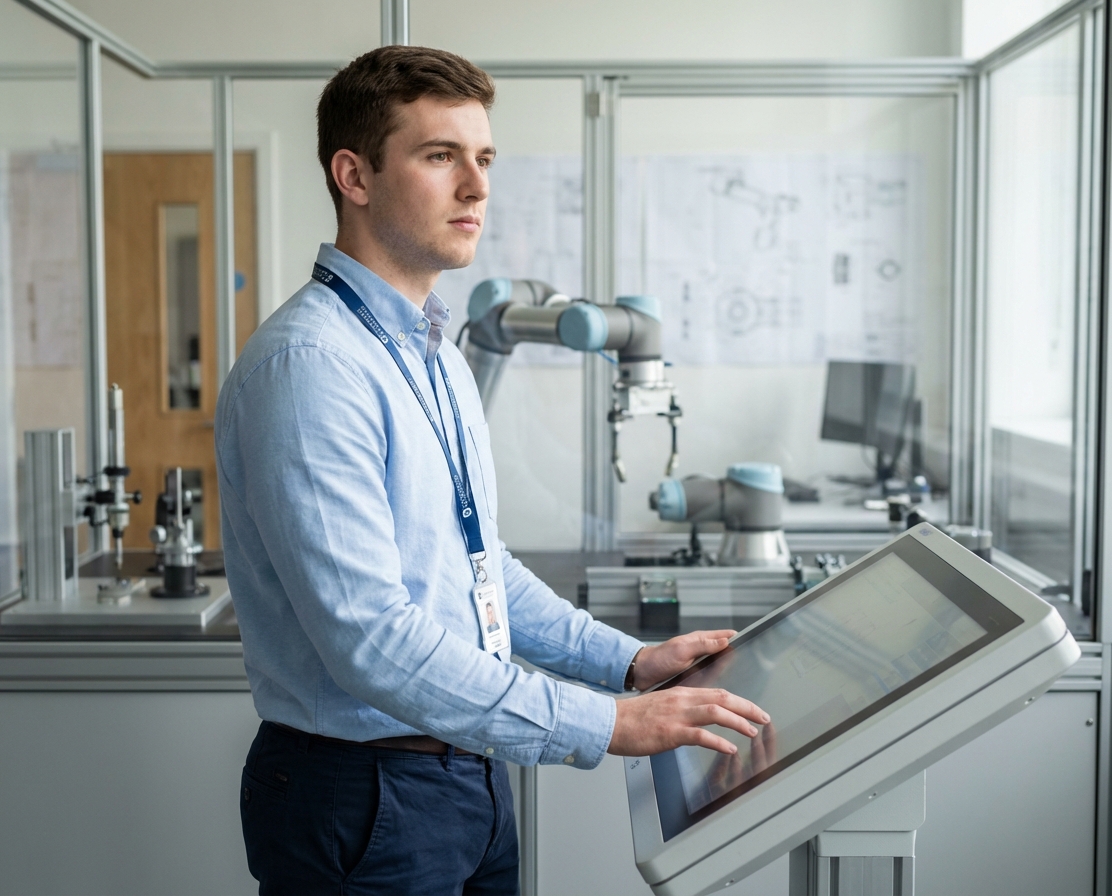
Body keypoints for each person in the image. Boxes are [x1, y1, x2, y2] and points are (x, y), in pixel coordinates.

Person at [214, 44, 768, 895]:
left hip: (465, 774)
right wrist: (608, 723)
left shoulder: (435, 353)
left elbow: (480, 569)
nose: (477, 187)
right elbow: (369, 639)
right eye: (442, 156)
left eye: (485, 159)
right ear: (353, 176)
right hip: (364, 795)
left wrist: (628, 664)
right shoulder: (311, 366)